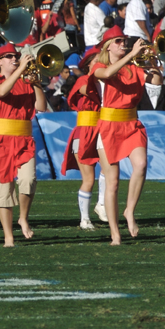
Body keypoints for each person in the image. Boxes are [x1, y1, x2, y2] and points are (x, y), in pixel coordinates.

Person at [88, 26, 162, 245]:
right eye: (118, 41)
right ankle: (115, 233)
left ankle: (129, 210)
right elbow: (108, 74)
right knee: (112, 183)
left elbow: (156, 83)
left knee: (140, 165)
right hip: (109, 125)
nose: (123, 44)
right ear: (107, 46)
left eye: (124, 41)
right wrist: (132, 55)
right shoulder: (99, 65)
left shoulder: (134, 67)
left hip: (131, 124)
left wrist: (154, 63)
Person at [0, 43, 47, 246]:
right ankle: (8, 236)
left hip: (24, 139)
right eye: (9, 56)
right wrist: (20, 70)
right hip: (0, 140)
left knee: (28, 180)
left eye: (16, 56)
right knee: (4, 188)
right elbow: (1, 92)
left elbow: (41, 107)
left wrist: (36, 83)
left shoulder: (26, 83)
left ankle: (23, 218)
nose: (14, 59)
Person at [62, 47, 106, 229]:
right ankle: (85, 219)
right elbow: (87, 89)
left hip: (102, 129)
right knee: (88, 179)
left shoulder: (104, 81)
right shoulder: (82, 79)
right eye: (99, 59)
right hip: (84, 132)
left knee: (109, 168)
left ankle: (101, 203)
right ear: (89, 64)